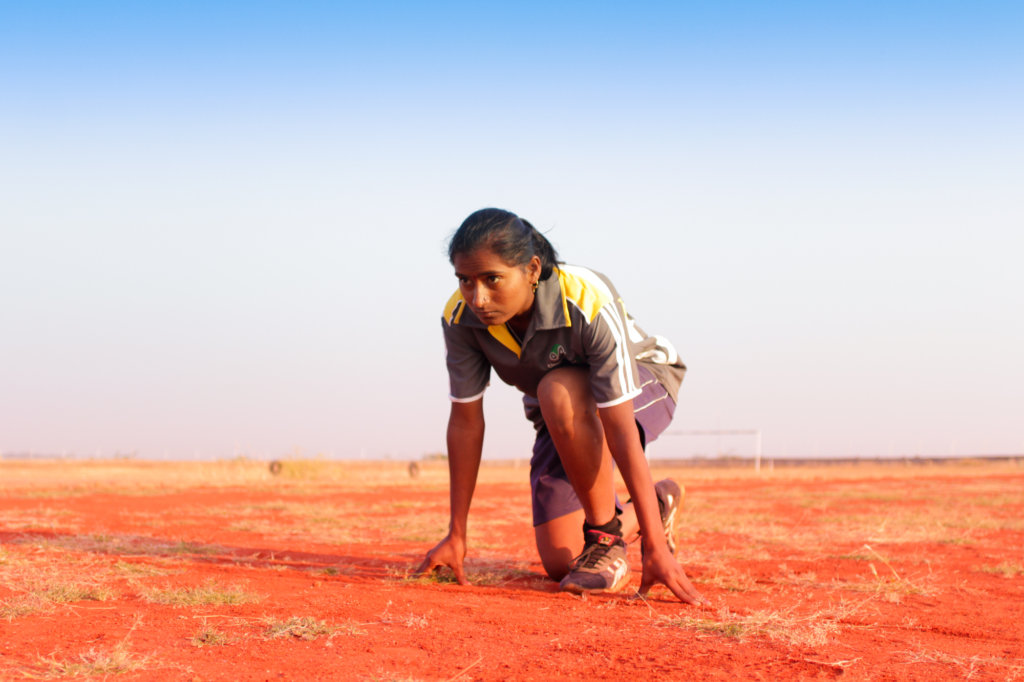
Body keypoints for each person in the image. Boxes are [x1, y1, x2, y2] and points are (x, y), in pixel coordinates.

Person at [415, 208, 706, 605]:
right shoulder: (460, 317)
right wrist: (456, 534)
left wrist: (654, 546)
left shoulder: (586, 298)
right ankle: (658, 502)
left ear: (532, 269)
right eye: (465, 280)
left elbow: (619, 427)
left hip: (638, 382)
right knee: (560, 560)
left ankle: (606, 538)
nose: (477, 297)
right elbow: (466, 421)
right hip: (562, 413)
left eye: (492, 279)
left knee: (556, 390)